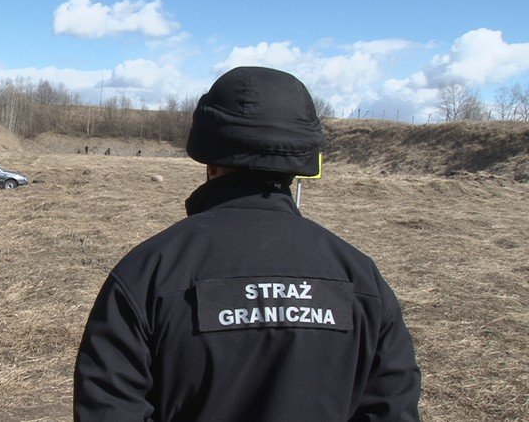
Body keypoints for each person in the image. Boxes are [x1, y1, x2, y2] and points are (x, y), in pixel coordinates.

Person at [74, 67, 421, 421]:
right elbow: (392, 409)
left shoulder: (147, 273)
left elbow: (109, 409)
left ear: (209, 161)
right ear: (300, 162)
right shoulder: (361, 280)